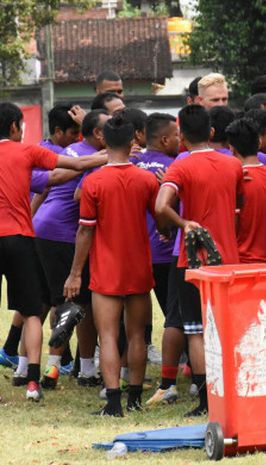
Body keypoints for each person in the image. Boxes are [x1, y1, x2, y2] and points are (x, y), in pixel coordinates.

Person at [0, 102, 107, 400]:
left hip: (25, 233)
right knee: (34, 311)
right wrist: (111, 152)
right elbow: (74, 165)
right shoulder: (28, 151)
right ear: (14, 127)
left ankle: (21, 367)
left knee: (35, 307)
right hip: (21, 238)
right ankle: (33, 382)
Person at [64, 114, 159, 416]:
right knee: (136, 335)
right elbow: (160, 219)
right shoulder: (146, 179)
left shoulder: (94, 181)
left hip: (106, 268)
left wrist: (75, 273)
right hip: (139, 267)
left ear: (103, 141)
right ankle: (134, 399)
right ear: (133, 141)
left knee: (107, 336)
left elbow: (85, 230)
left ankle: (114, 403)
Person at [155, 104, 245, 416]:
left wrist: (183, 224)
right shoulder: (232, 165)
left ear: (181, 135)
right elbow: (239, 206)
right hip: (228, 259)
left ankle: (207, 400)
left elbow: (160, 205)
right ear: (211, 132)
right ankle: (230, 393)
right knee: (224, 328)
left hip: (192, 261)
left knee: (196, 330)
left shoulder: (179, 167)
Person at [32, 110, 111, 390]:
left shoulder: (72, 149)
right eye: (109, 126)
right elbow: (80, 194)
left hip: (45, 229)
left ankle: (54, 368)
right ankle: (83, 370)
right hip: (63, 233)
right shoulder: (96, 158)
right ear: (98, 133)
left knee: (63, 302)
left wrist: (30, 222)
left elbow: (44, 186)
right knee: (79, 303)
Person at [131, 113, 184, 406]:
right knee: (176, 316)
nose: (181, 140)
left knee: (135, 322)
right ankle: (182, 377)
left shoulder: (132, 163)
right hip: (166, 254)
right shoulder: (175, 167)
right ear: (165, 140)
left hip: (137, 254)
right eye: (177, 136)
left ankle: (127, 375)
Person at [227, 117, 266, 263]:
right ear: (258, 142)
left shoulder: (237, 179)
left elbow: (233, 223)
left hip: (242, 262)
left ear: (232, 149)